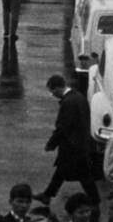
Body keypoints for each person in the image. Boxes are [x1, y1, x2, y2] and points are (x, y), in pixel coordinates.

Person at [35, 74, 98, 212]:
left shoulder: (68, 102)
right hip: (80, 143)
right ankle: (47, 194)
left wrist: (51, 143)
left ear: (57, 88)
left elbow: (63, 126)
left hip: (72, 146)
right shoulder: (78, 97)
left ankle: (95, 201)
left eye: (53, 91)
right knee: (62, 171)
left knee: (83, 175)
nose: (53, 95)